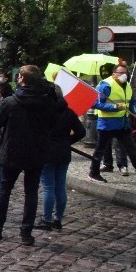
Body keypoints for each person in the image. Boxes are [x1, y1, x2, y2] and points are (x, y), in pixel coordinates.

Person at [0, 64, 61, 245]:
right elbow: (55, 122)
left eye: (19, 76)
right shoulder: (47, 101)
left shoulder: (10, 102)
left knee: (5, 189)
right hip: (37, 151)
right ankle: (26, 233)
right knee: (31, 192)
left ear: (23, 79)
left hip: (13, 151)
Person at [36, 96, 86, 231]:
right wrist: (67, 141)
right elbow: (81, 132)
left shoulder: (44, 112)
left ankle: (47, 219)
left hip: (47, 152)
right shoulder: (69, 112)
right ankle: (58, 219)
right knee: (60, 186)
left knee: (48, 187)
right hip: (63, 152)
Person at [88, 63, 136, 183]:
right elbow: (95, 103)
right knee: (100, 150)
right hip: (107, 124)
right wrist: (114, 107)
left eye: (125, 73)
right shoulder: (105, 86)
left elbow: (132, 102)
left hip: (123, 124)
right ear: (114, 74)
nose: (124, 75)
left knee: (132, 150)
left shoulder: (127, 85)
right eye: (121, 73)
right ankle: (93, 173)